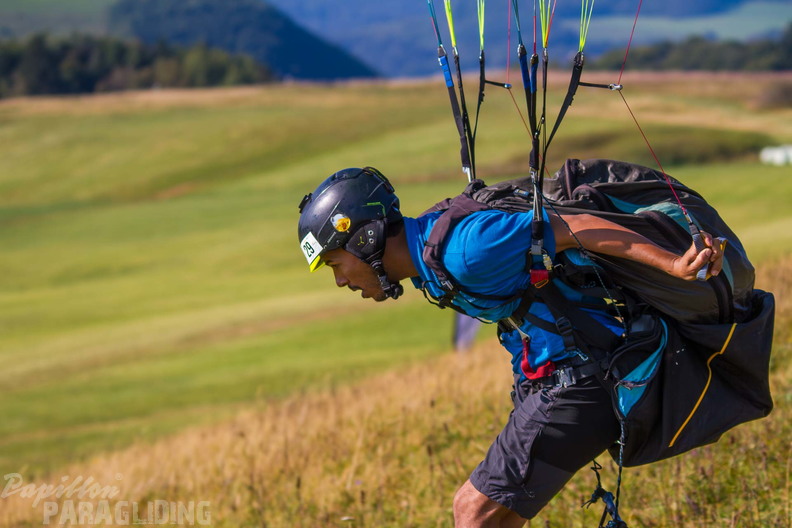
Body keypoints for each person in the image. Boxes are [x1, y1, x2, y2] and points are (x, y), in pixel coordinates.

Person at [296, 166, 723, 528]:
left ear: (364, 240)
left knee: (472, 511)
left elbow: (570, 228)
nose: (340, 281)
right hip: (558, 379)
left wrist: (672, 263)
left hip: (585, 380)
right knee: (497, 519)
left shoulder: (467, 250)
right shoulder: (429, 254)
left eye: (336, 264)